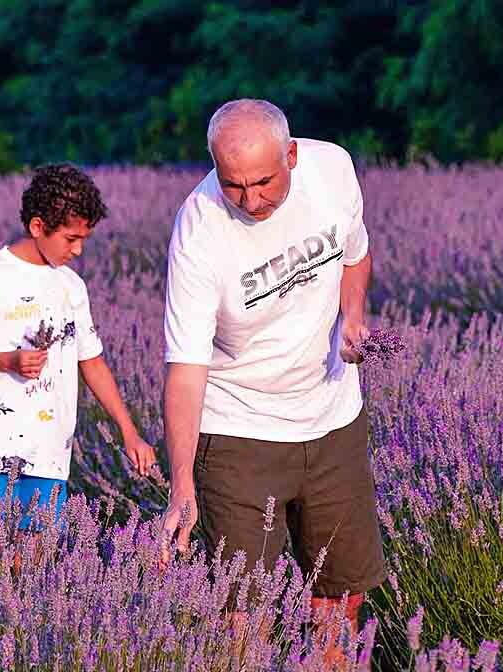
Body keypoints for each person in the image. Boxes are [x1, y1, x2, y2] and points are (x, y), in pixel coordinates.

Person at [157, 99, 387, 664]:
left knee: (340, 598)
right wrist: (181, 486)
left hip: (331, 417)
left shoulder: (332, 170)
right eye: (233, 186)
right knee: (245, 611)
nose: (251, 200)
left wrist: (352, 318)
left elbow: (356, 256)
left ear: (291, 155)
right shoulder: (200, 230)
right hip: (238, 429)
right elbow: (185, 369)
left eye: (263, 181)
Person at [0, 163, 157, 531]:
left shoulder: (71, 286)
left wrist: (129, 431)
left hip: (49, 451)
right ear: (38, 227)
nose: (78, 250)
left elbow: (93, 363)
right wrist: (7, 360)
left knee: (38, 568)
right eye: (71, 239)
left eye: (84, 239)